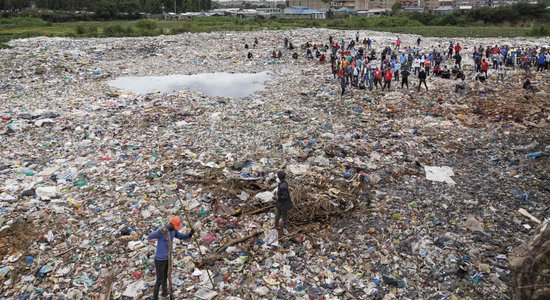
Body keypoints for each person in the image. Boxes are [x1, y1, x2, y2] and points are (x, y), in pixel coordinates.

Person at [148, 217, 194, 300]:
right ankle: (154, 297)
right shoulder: (162, 230)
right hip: (159, 259)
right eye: (175, 227)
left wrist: (190, 234)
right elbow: (150, 236)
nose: (175, 229)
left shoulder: (173, 231)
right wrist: (159, 231)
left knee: (165, 276)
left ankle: (164, 292)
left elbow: (181, 236)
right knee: (159, 279)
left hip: (167, 258)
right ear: (171, 224)